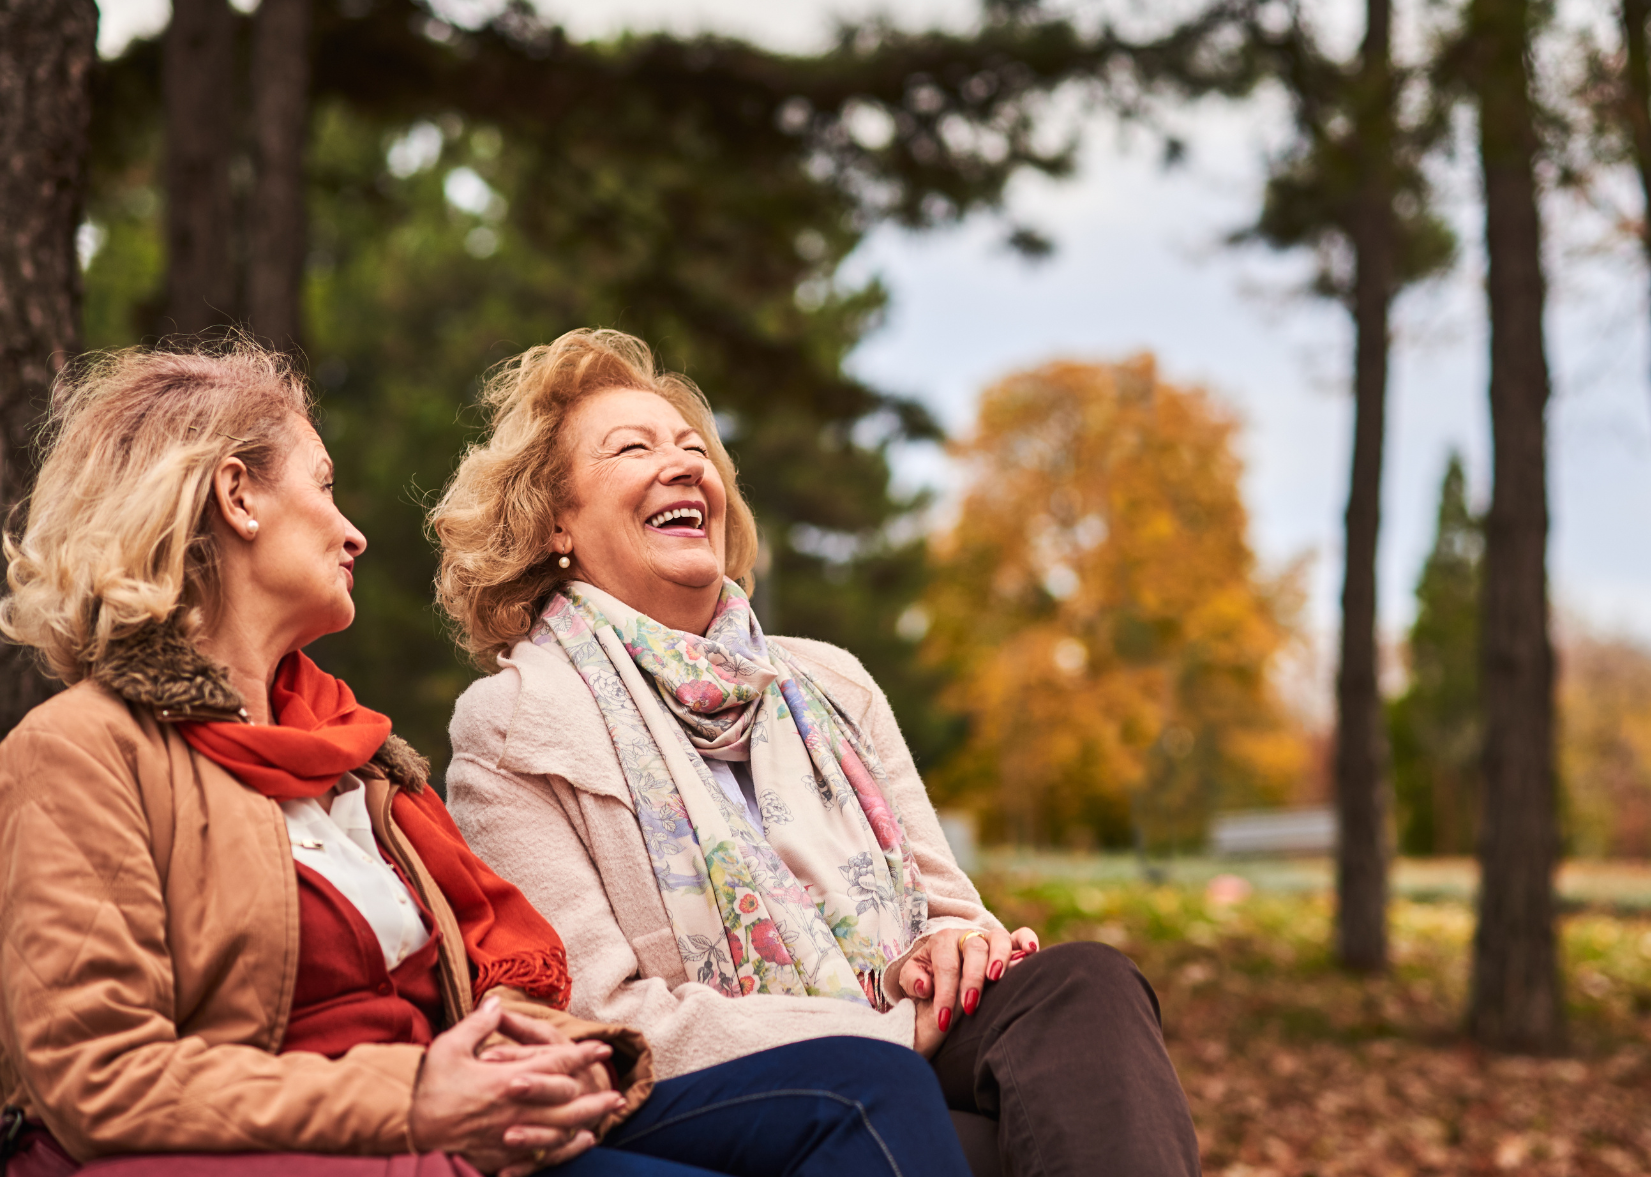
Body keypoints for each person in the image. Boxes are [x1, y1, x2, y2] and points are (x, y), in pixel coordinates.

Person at [0, 343, 969, 1177]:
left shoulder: (361, 766)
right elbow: (98, 1074)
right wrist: (419, 1091)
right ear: (236, 495)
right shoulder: (80, 753)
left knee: (883, 1075)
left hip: (464, 1138)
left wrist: (556, 1066)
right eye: (325, 484)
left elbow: (500, 985)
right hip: (340, 1144)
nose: (354, 529)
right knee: (860, 1087)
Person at [433, 329, 1202, 1177]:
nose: (687, 466)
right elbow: (600, 1016)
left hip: (909, 1024)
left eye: (695, 449)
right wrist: (882, 1029)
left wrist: (952, 947)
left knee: (1083, 982)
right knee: (936, 1119)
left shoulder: (831, 680)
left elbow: (952, 907)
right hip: (737, 1082)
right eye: (634, 449)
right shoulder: (514, 727)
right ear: (555, 524)